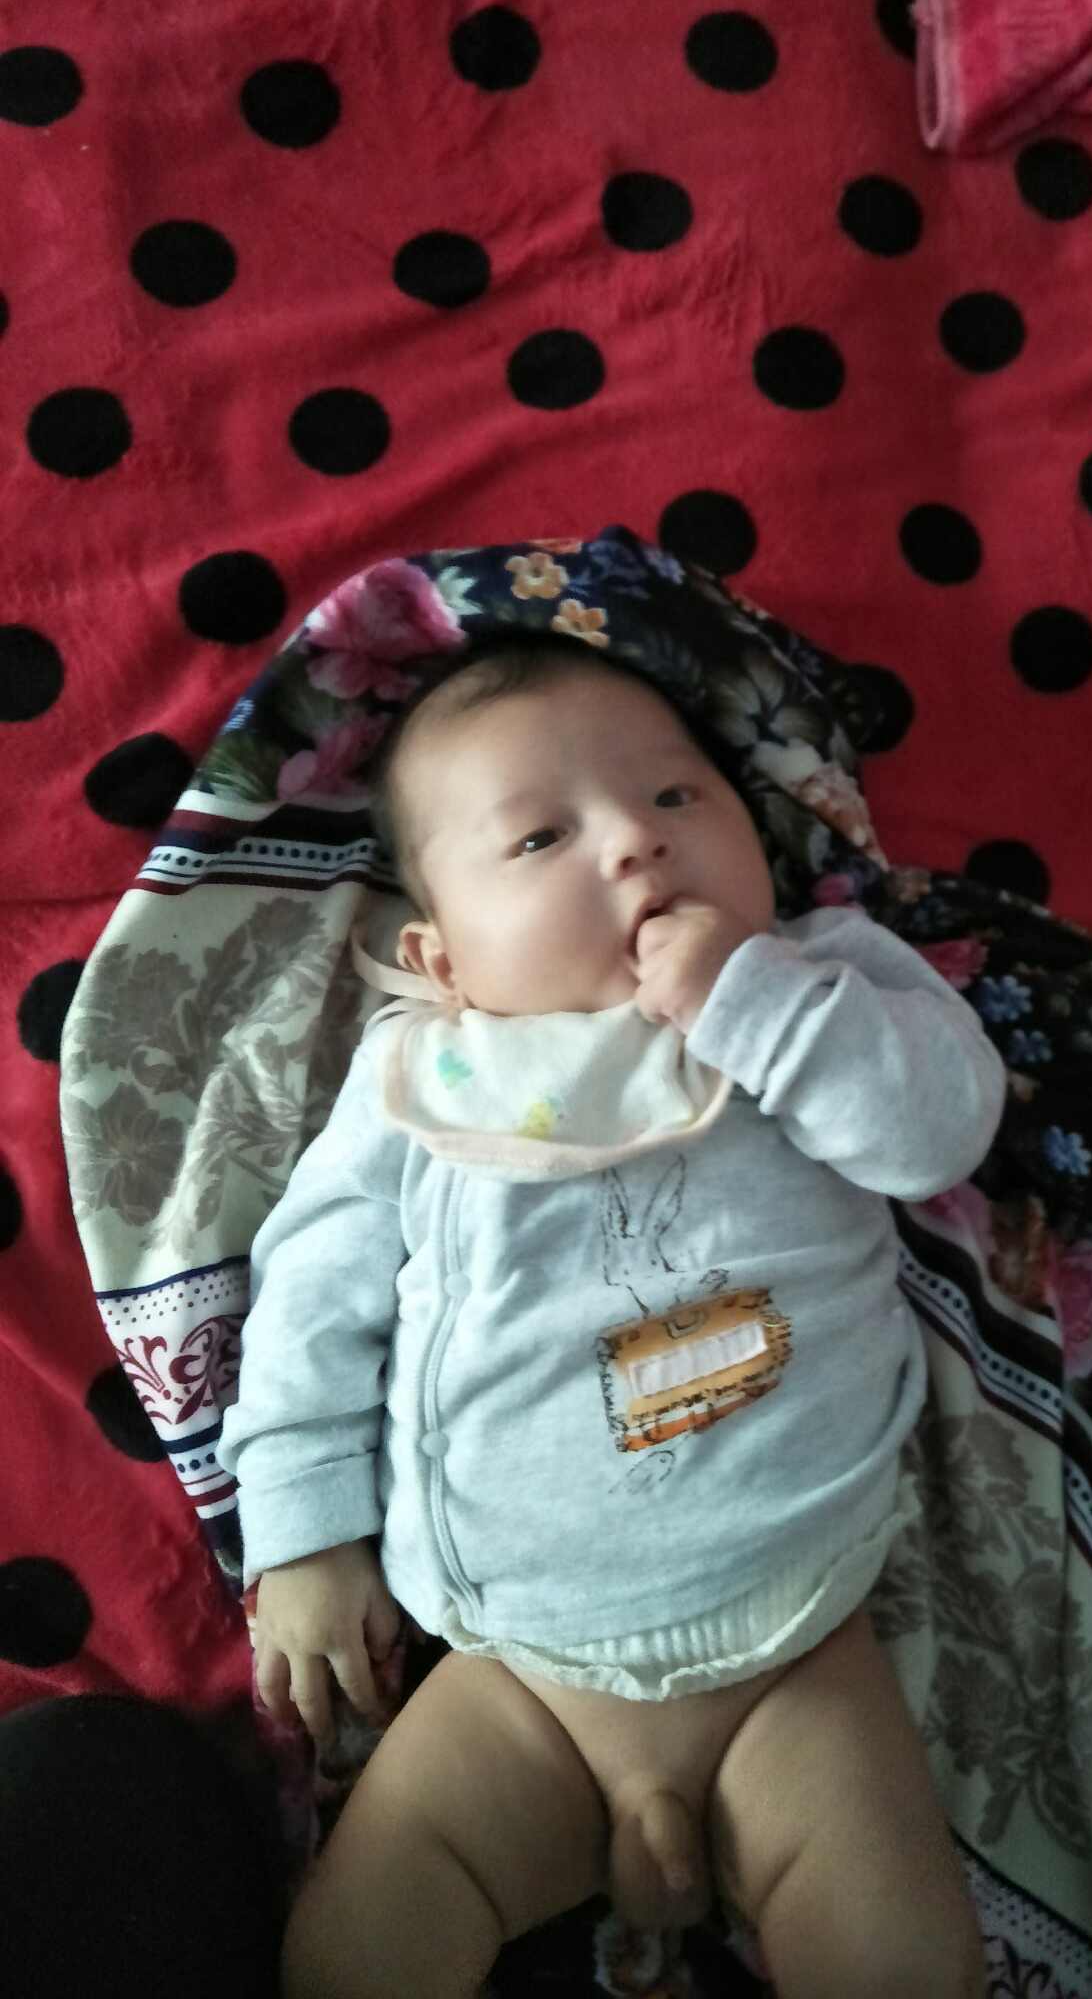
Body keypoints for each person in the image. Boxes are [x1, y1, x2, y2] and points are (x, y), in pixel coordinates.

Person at [216, 629, 1009, 1998]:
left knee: (901, 1956)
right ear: (441, 955)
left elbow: (934, 1133)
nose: (636, 843)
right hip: (520, 1676)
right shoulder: (428, 1075)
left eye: (675, 795)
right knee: (363, 1936)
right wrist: (305, 1532)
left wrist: (750, 1001)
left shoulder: (820, 986)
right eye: (540, 838)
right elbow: (311, 1292)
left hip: (797, 1650)